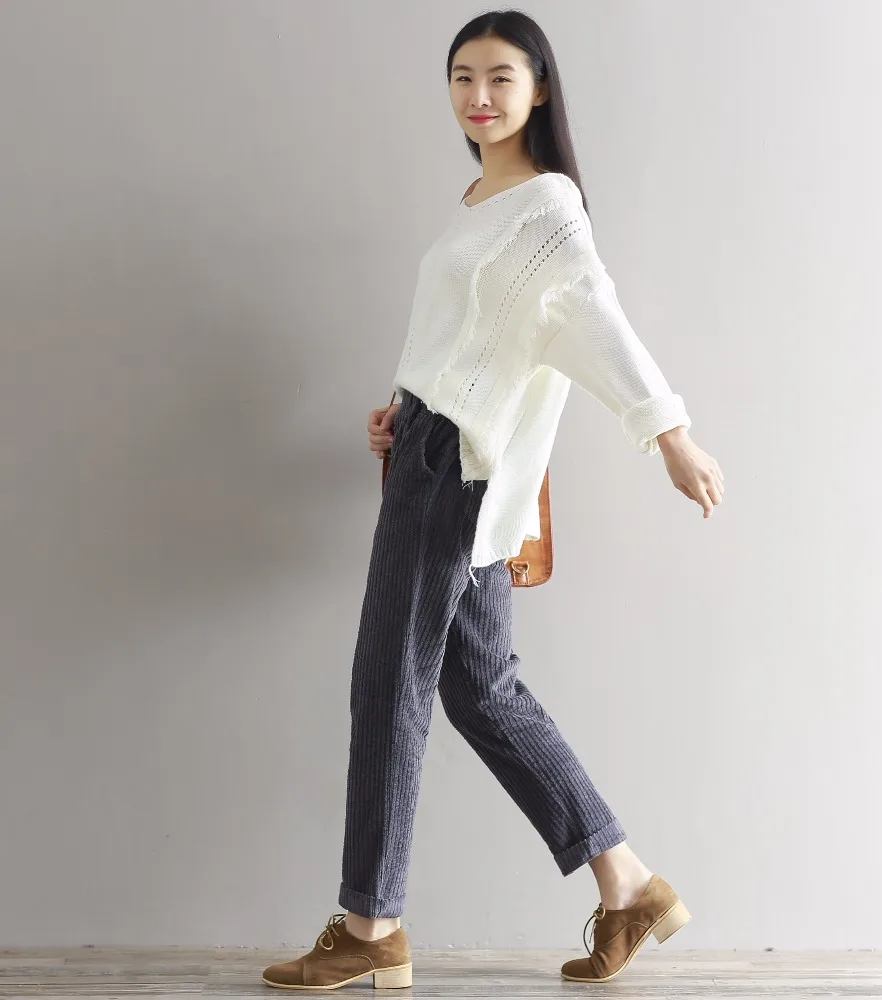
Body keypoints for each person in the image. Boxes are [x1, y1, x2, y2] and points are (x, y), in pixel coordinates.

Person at [262, 9, 724, 992]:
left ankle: (372, 923)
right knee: (481, 686)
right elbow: (471, 338)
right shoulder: (480, 198)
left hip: (455, 470)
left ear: (539, 89)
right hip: (433, 448)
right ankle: (629, 884)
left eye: (501, 77)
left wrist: (669, 433)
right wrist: (403, 409)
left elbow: (597, 323)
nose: (479, 95)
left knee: (388, 680)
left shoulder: (547, 207)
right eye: (463, 76)